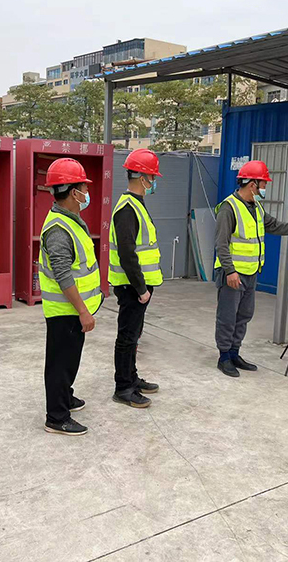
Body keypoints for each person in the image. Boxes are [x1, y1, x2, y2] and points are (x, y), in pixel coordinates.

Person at [214, 160, 288, 377]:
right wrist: (230, 271)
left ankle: (234, 352)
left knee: (244, 315)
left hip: (251, 272)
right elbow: (221, 243)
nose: (265, 188)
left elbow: (276, 226)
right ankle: (224, 357)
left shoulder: (256, 207)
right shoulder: (228, 207)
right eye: (263, 184)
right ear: (252, 184)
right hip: (232, 274)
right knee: (228, 317)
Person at [39, 158, 103, 436]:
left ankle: (65, 396)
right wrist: (83, 311)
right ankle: (56, 417)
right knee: (60, 364)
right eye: (83, 188)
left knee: (69, 360)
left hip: (72, 311)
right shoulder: (58, 229)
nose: (87, 193)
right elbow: (63, 275)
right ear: (73, 192)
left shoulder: (70, 221)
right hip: (64, 311)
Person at [108, 149, 162, 408]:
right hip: (132, 287)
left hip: (139, 286)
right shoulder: (127, 209)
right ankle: (123, 387)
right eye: (153, 177)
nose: (154, 182)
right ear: (142, 178)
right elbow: (127, 254)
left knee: (134, 335)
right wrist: (141, 289)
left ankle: (131, 377)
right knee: (127, 336)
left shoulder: (136, 205)